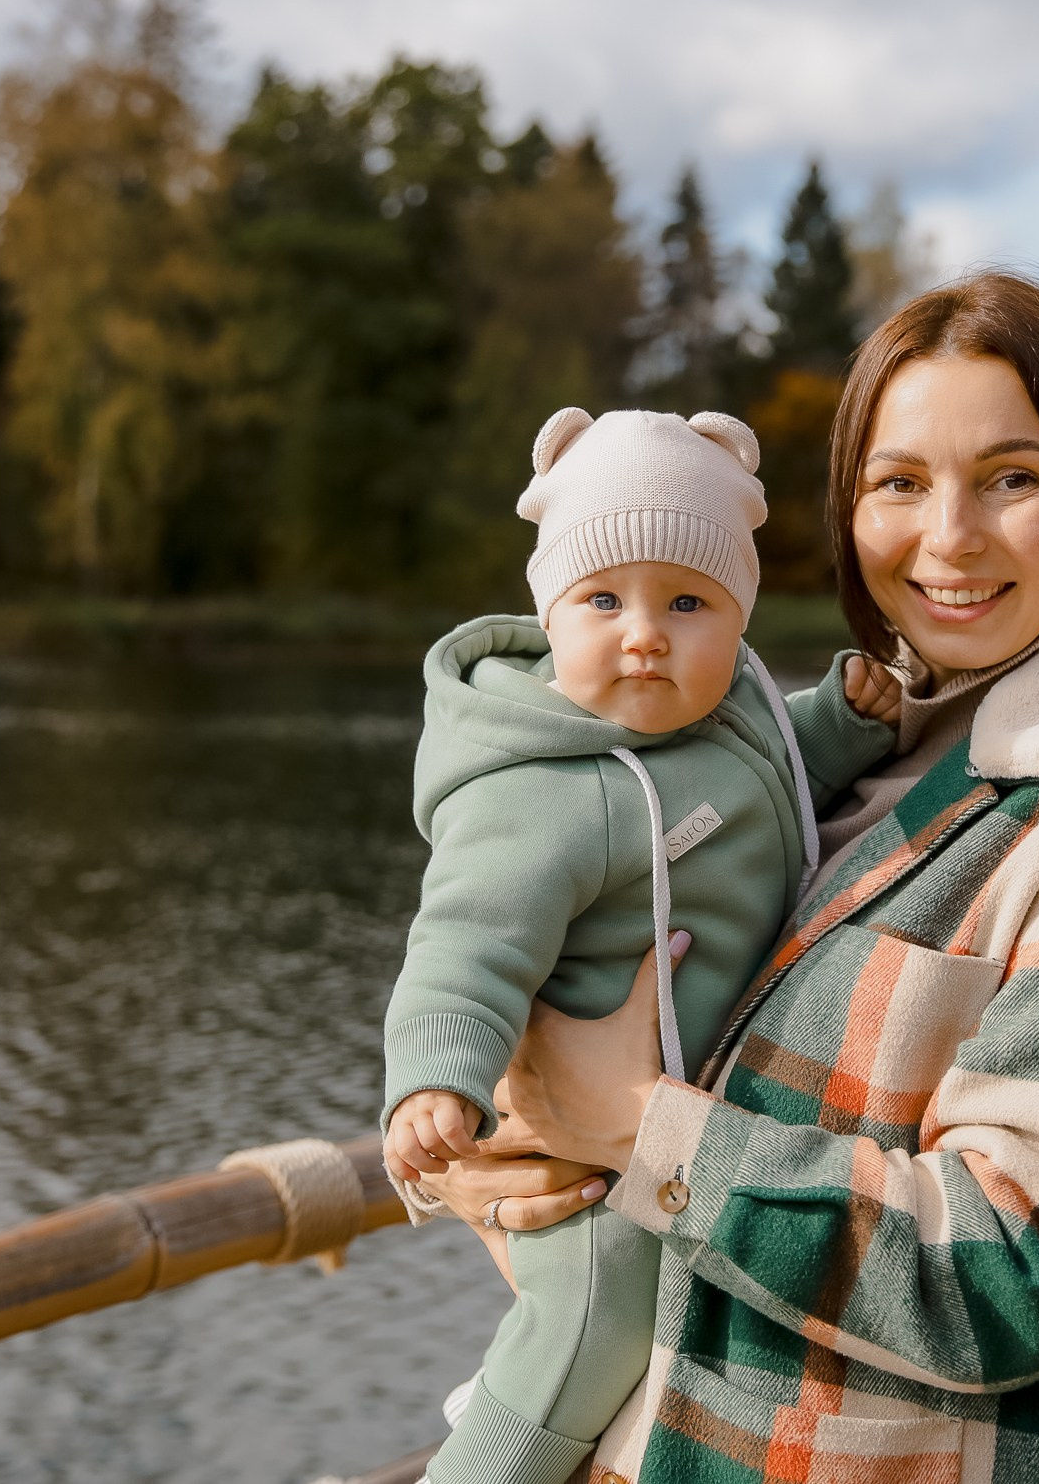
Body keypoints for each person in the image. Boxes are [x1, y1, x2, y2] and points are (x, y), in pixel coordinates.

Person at [418, 273, 1039, 1483]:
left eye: (1013, 478)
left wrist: (629, 1123)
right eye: (899, 481)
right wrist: (513, 1145)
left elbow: (1013, 1275)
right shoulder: (803, 760)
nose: (950, 535)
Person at [380, 406, 901, 1484]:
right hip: (586, 1164)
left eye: (689, 601)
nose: (645, 633)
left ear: (739, 615)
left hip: (678, 1135)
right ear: (551, 607)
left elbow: (777, 774)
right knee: (595, 1322)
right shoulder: (541, 794)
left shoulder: (729, 714)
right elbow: (463, 950)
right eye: (603, 599)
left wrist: (840, 724)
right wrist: (435, 1081)